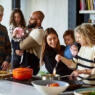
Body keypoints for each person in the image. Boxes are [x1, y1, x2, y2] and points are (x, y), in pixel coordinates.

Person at [19, 11, 45, 75]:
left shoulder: (37, 33)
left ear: (38, 21)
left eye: (31, 19)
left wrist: (17, 36)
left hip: (31, 65)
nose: (29, 20)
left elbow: (21, 46)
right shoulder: (35, 30)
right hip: (29, 64)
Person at [0, 5, 11, 70]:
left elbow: (8, 48)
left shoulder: (4, 29)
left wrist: (7, 60)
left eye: (1, 15)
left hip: (2, 66)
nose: (0, 17)